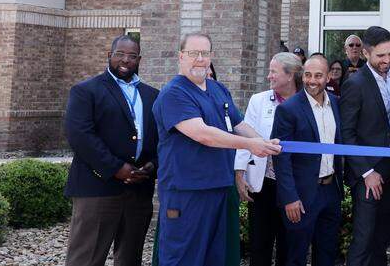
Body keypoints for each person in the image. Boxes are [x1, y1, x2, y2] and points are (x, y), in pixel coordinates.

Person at [152, 33, 281, 266]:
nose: (200, 59)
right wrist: (251, 145)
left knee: (216, 257)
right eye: (193, 53)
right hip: (187, 193)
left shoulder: (218, 89)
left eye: (205, 54)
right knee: (184, 257)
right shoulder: (174, 94)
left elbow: (239, 123)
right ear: (180, 56)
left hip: (220, 188)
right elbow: (204, 135)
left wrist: (265, 142)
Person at [64, 34, 159, 266]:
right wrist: (116, 167)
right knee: (86, 258)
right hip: (97, 188)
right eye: (120, 54)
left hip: (139, 190)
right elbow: (80, 136)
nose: (125, 60)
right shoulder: (86, 91)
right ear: (109, 56)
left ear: (139, 60)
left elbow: (160, 138)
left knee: (130, 258)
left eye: (132, 56)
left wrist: (152, 165)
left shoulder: (153, 95)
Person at [271, 53, 343, 266]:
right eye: (308, 75)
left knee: (327, 254)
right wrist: (289, 198)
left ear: (328, 76)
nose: (312, 80)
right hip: (301, 196)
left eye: (318, 75)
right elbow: (281, 159)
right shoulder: (288, 109)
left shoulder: (337, 104)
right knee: (296, 257)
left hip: (331, 191)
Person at [341, 26, 390, 266]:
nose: (387, 60)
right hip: (367, 171)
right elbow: (346, 133)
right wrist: (367, 173)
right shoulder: (355, 83)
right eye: (380, 55)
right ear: (366, 53)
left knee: (383, 236)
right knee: (364, 236)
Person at [235, 52, 302, 266]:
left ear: (290, 75)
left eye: (273, 71)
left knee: (288, 245)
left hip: (293, 186)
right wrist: (239, 172)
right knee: (260, 245)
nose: (269, 76)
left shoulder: (305, 103)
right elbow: (245, 136)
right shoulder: (259, 100)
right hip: (263, 184)